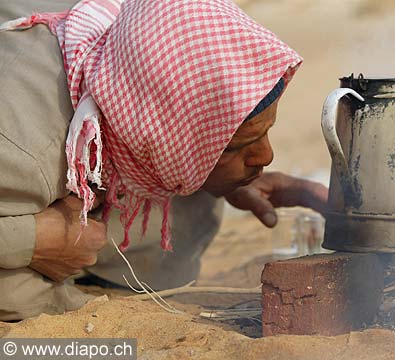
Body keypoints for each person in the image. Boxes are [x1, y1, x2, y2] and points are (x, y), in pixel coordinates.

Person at [0, 0, 327, 320]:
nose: (266, 157)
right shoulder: (24, 148)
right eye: (237, 147)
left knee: (190, 201)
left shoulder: (140, 50)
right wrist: (37, 239)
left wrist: (227, 179)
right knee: (15, 291)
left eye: (262, 135)